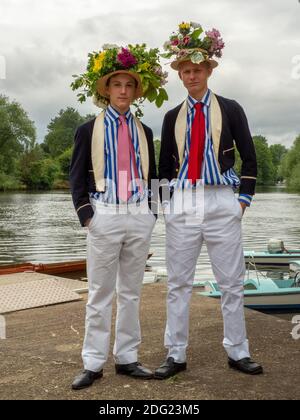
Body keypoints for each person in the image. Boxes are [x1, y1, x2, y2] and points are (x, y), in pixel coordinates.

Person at [155, 22, 263, 379]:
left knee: (232, 281)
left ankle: (238, 351)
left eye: (197, 70)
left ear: (208, 70)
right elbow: (163, 167)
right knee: (178, 283)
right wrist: (165, 207)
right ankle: (176, 354)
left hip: (221, 200)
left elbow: (250, 157)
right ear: (181, 76)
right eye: (186, 71)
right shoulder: (172, 117)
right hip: (184, 201)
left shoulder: (231, 109)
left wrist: (242, 201)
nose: (192, 76)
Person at [70, 44, 166, 389]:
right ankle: (93, 364)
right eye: (117, 85)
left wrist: (154, 212)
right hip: (105, 214)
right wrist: (87, 217)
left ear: (135, 92)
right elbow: (76, 176)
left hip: (139, 213)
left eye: (129, 86)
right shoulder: (87, 130)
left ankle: (127, 358)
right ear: (107, 91)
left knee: (132, 292)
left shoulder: (146, 131)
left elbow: (155, 175)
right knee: (99, 293)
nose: (123, 91)